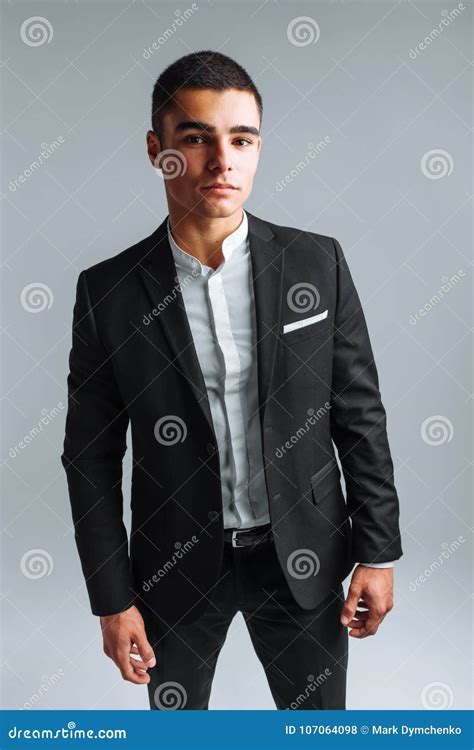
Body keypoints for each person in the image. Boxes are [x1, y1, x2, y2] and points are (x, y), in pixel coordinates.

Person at [61, 50, 403, 710]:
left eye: (241, 139)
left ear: (257, 147)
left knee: (318, 733)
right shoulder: (108, 294)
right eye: (196, 138)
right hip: (174, 566)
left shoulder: (316, 262)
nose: (224, 161)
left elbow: (359, 415)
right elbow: (90, 460)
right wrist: (112, 597)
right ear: (157, 149)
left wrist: (379, 553)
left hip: (303, 556)